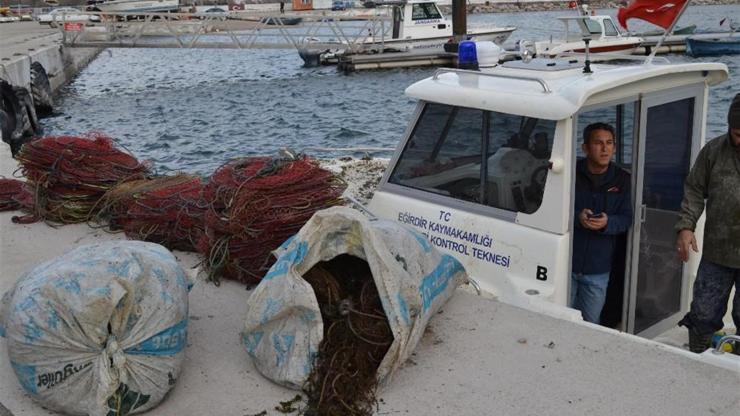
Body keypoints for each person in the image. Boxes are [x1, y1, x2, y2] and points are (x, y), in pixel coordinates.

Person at [676, 93, 740, 353]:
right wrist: (686, 226)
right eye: (737, 133)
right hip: (717, 253)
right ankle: (697, 359)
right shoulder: (713, 151)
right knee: (703, 313)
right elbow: (693, 189)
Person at [571, 122, 632, 324]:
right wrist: (577, 217)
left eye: (609, 143)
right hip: (567, 264)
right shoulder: (571, 173)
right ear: (585, 148)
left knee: (590, 324)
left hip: (598, 270)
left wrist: (607, 223)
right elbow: (555, 208)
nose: (605, 148)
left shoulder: (623, 179)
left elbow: (627, 219)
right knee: (560, 320)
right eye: (598, 143)